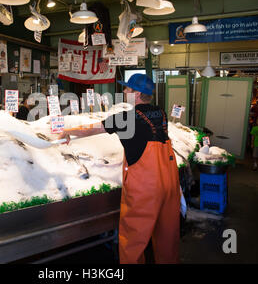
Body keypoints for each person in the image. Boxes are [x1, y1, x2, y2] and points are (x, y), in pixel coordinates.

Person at [59, 74, 180, 264]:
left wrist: (68, 131)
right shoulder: (161, 113)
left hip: (145, 189)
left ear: (137, 93)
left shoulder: (126, 118)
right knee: (167, 234)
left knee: (133, 238)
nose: (124, 91)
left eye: (127, 89)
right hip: (170, 183)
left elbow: (92, 129)